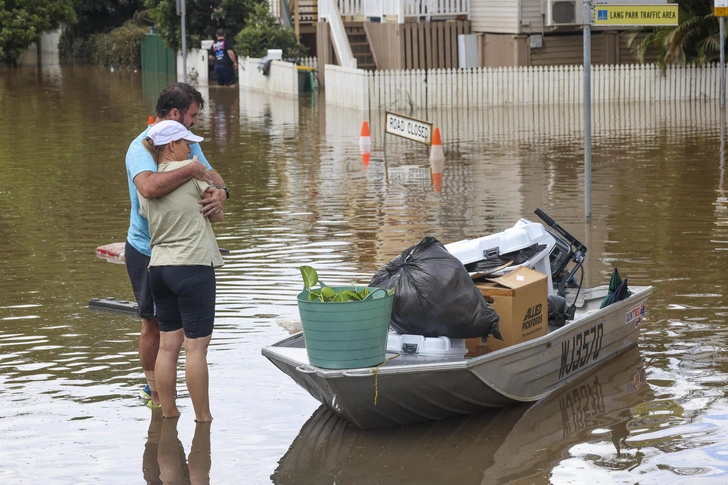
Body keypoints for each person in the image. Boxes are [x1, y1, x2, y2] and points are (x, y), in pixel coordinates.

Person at [125, 82, 229, 408]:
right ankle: (153, 391)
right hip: (146, 248)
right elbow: (149, 188)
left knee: (172, 338)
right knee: (152, 325)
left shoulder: (185, 144)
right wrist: (194, 170)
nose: (196, 123)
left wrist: (222, 194)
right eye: (193, 115)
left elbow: (214, 179)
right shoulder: (140, 149)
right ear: (175, 115)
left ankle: (165, 410)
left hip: (171, 253)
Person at [139, 120, 223, 422]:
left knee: (166, 347)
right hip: (193, 267)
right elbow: (217, 215)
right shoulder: (192, 176)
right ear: (171, 146)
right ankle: (203, 420)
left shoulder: (145, 184)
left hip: (160, 269)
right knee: (196, 349)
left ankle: (169, 413)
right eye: (187, 143)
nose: (191, 148)